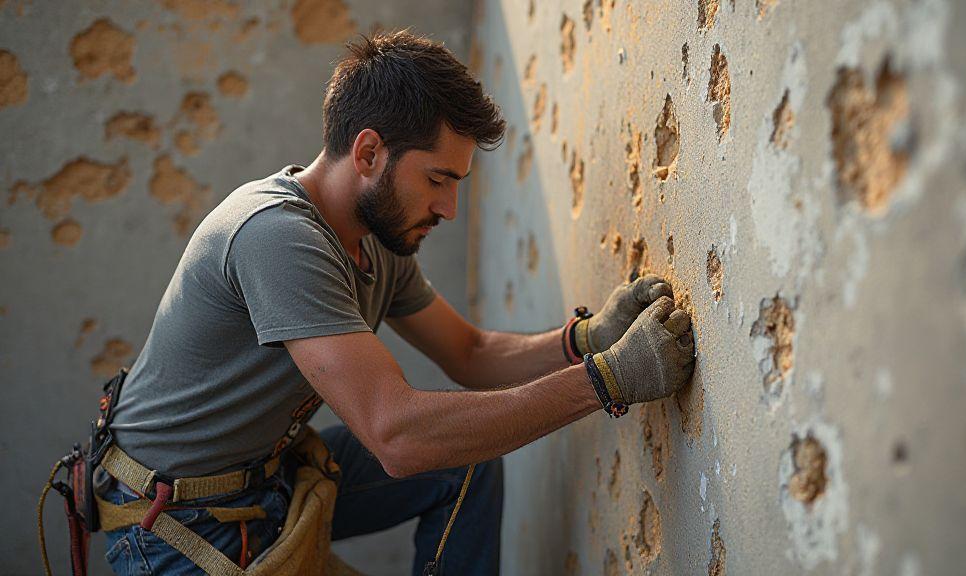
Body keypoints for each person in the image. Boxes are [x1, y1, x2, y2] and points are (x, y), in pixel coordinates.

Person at [97, 30, 696, 576]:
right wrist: (610, 380)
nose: (448, 209)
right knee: (432, 442)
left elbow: (471, 351)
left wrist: (586, 341)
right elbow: (397, 436)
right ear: (367, 154)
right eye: (437, 180)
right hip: (172, 525)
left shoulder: (376, 243)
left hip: (267, 483)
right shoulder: (274, 235)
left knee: (464, 463)